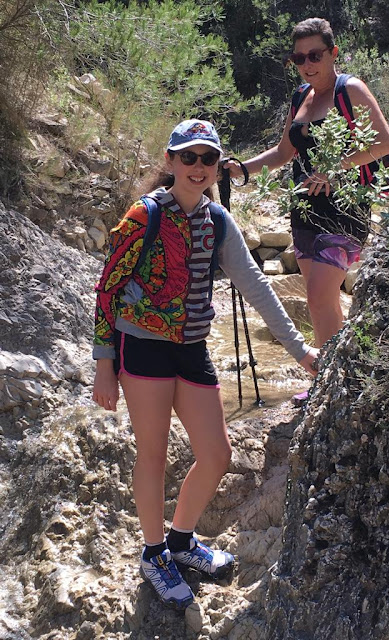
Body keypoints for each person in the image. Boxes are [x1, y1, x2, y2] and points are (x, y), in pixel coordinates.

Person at [92, 119, 318, 610]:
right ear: (171, 162)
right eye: (188, 157)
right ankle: (154, 555)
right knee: (151, 453)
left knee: (216, 453)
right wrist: (103, 364)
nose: (198, 167)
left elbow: (257, 287)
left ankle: (180, 541)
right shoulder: (143, 215)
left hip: (191, 346)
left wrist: (300, 351)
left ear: (219, 167)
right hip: (143, 345)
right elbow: (107, 289)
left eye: (208, 159)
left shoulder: (219, 222)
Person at [226, 17, 389, 406]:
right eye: (299, 57)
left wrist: (336, 169)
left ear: (333, 53)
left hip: (344, 207)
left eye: (315, 54)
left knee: (319, 298)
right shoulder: (300, 96)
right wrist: (242, 169)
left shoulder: (348, 89)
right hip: (303, 208)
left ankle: (336, 383)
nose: (307, 63)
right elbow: (285, 153)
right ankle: (335, 380)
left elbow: (385, 142)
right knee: (324, 302)